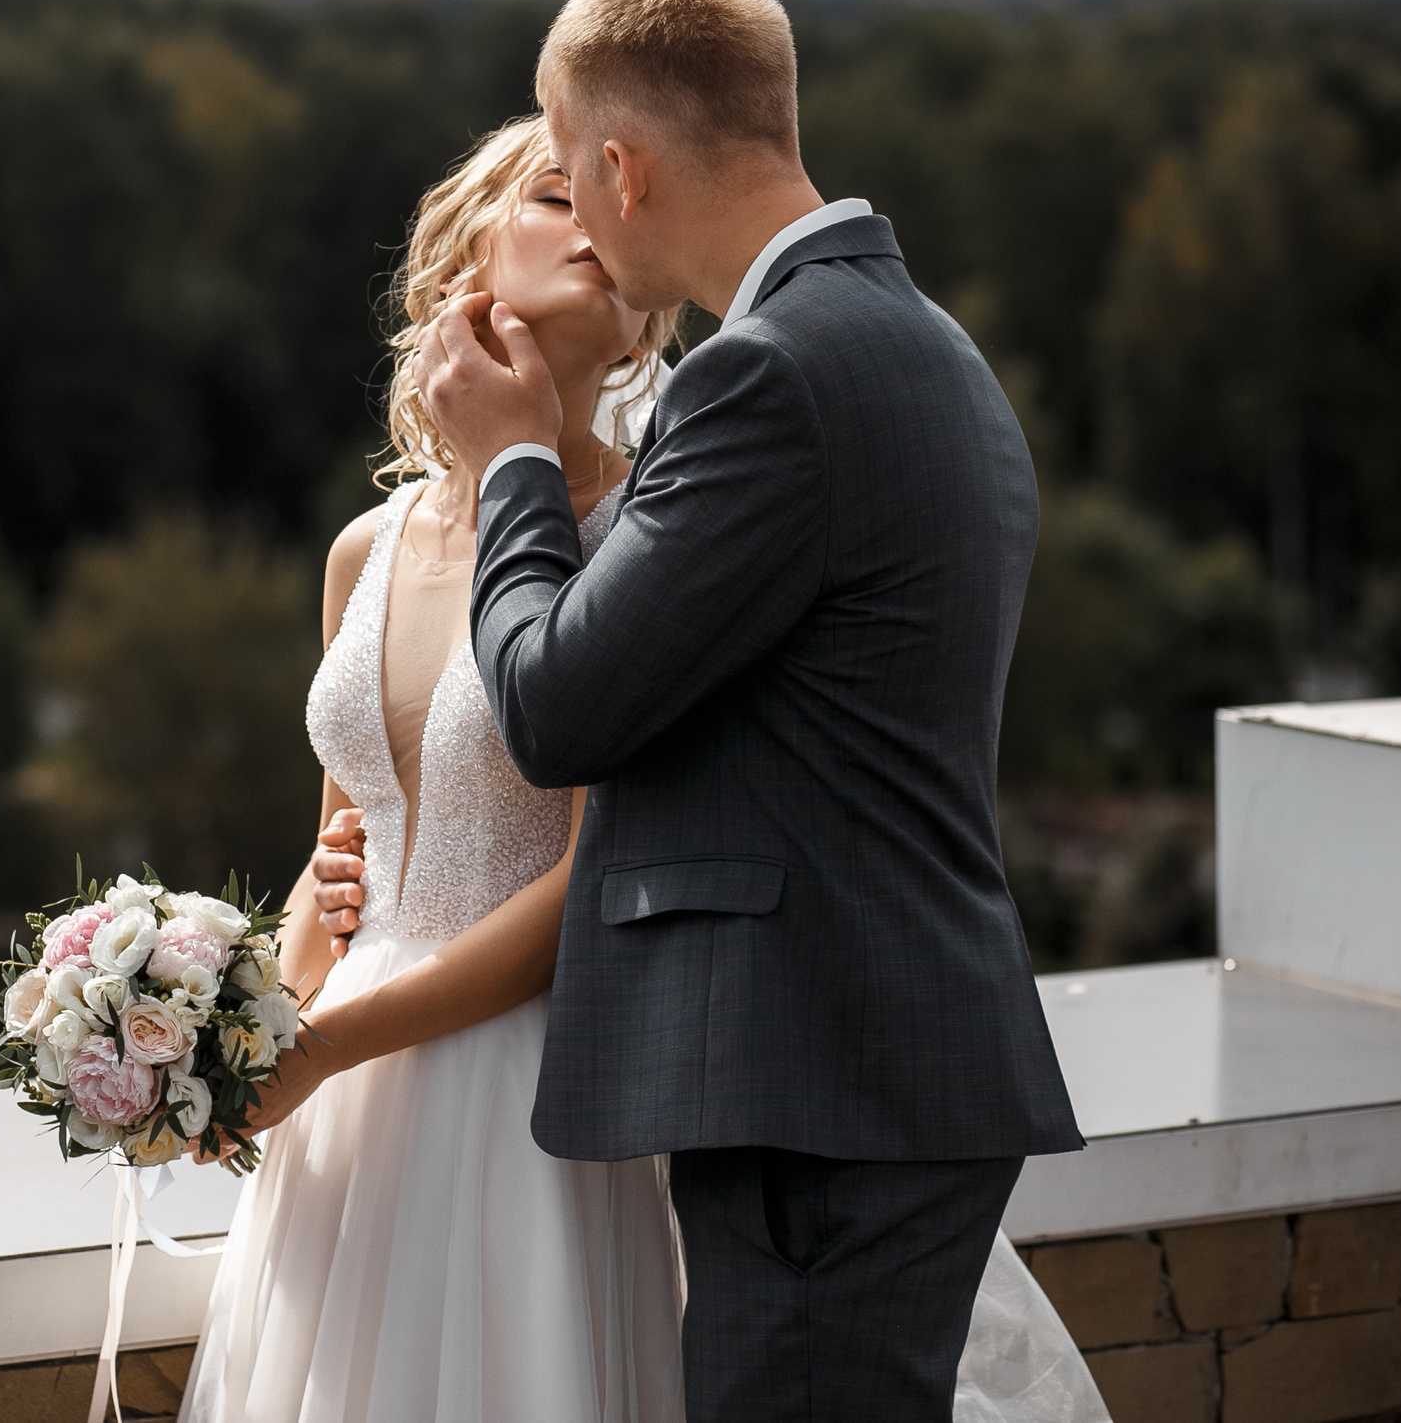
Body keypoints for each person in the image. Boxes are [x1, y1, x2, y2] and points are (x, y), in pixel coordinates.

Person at [178, 97, 1102, 1416]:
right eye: (556, 197)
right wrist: (244, 1028)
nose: (599, 224)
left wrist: (328, 1044)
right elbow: (348, 842)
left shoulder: (651, 531)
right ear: (462, 263)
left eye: (609, 206)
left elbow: (593, 876)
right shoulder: (360, 553)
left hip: (534, 1089)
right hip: (347, 1109)